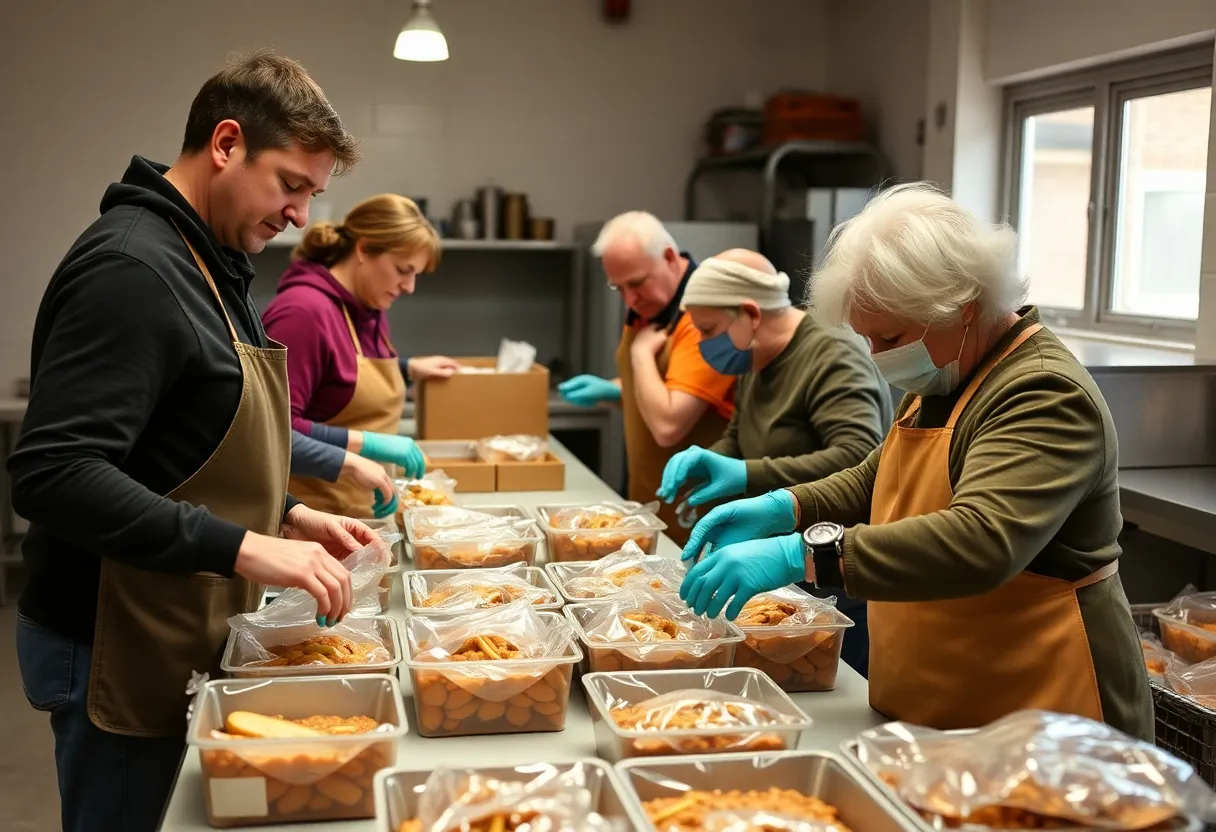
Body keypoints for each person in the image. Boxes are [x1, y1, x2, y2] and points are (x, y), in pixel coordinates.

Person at [7, 51, 380, 832]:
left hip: (171, 619)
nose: (300, 216)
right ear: (226, 144)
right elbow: (55, 473)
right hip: (112, 638)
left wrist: (287, 513)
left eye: (312, 195)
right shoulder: (132, 268)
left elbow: (182, 444)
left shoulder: (208, 259)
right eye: (290, 185)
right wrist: (243, 546)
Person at [677, 183, 1153, 740]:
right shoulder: (950, 371)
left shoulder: (1042, 392)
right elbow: (878, 477)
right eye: (868, 339)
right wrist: (785, 506)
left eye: (889, 337)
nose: (878, 358)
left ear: (964, 306)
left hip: (1047, 708)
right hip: (952, 697)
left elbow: (982, 540)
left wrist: (801, 555)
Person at [655, 249, 890, 676]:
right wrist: (714, 461)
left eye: (708, 330)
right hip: (776, 570)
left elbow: (859, 456)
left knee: (827, 681)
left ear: (750, 313)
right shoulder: (755, 355)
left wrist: (749, 474)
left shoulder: (832, 355)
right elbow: (740, 433)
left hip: (832, 570)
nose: (704, 345)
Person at [263, 193, 458, 519]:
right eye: (403, 270)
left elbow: (337, 374)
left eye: (416, 275)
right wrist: (367, 443)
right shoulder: (302, 314)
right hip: (312, 518)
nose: (409, 287)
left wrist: (407, 367)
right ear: (364, 249)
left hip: (362, 511)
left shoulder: (367, 305)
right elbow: (272, 429)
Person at [557, 212, 736, 543]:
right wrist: (615, 390)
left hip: (697, 520)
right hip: (651, 508)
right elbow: (665, 384)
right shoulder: (649, 307)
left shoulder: (704, 320)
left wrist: (640, 355)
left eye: (637, 283)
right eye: (618, 287)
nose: (629, 299)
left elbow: (669, 424)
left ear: (669, 257)